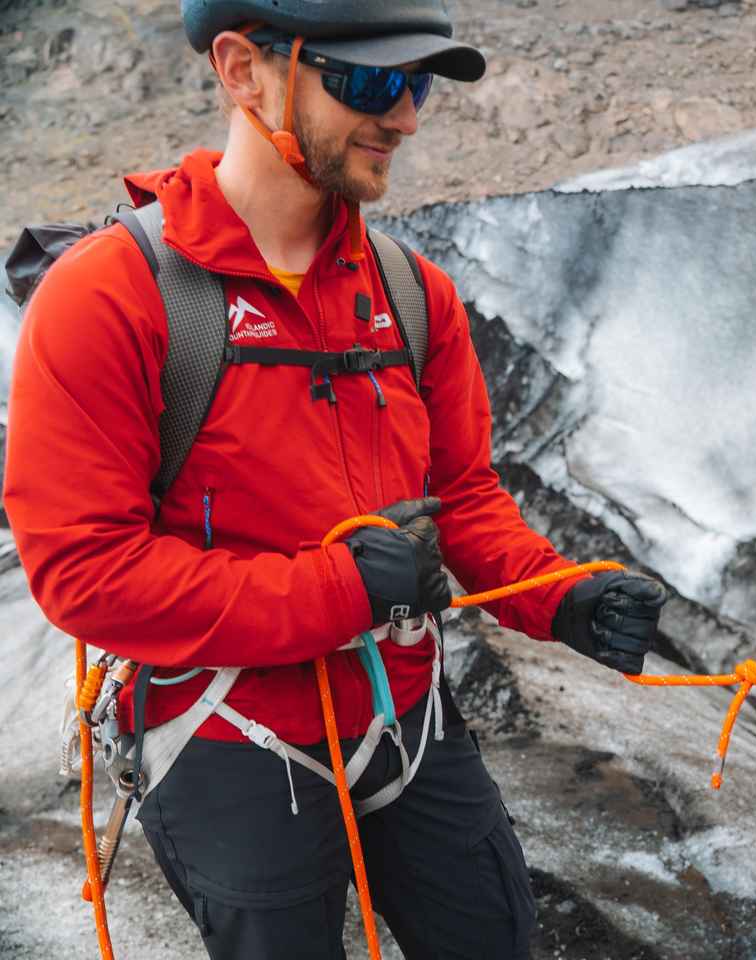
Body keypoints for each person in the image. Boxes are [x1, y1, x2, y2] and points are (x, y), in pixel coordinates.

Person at [4, 1, 666, 957]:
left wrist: (560, 599)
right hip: (225, 737)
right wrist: (341, 588)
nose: (404, 116)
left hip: (405, 715)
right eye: (367, 83)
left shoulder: (409, 293)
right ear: (241, 70)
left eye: (418, 84)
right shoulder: (110, 296)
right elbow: (86, 574)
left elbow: (464, 497)